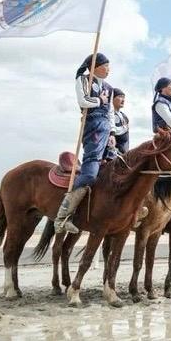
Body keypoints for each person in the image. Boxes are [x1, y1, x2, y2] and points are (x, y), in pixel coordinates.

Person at [53, 53, 115, 234]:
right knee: (90, 173)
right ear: (95, 66)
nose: (108, 69)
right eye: (106, 66)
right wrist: (99, 100)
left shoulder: (110, 88)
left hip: (105, 127)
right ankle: (62, 216)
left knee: (114, 166)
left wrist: (111, 132)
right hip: (92, 123)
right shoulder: (83, 79)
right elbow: (83, 101)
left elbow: (110, 111)